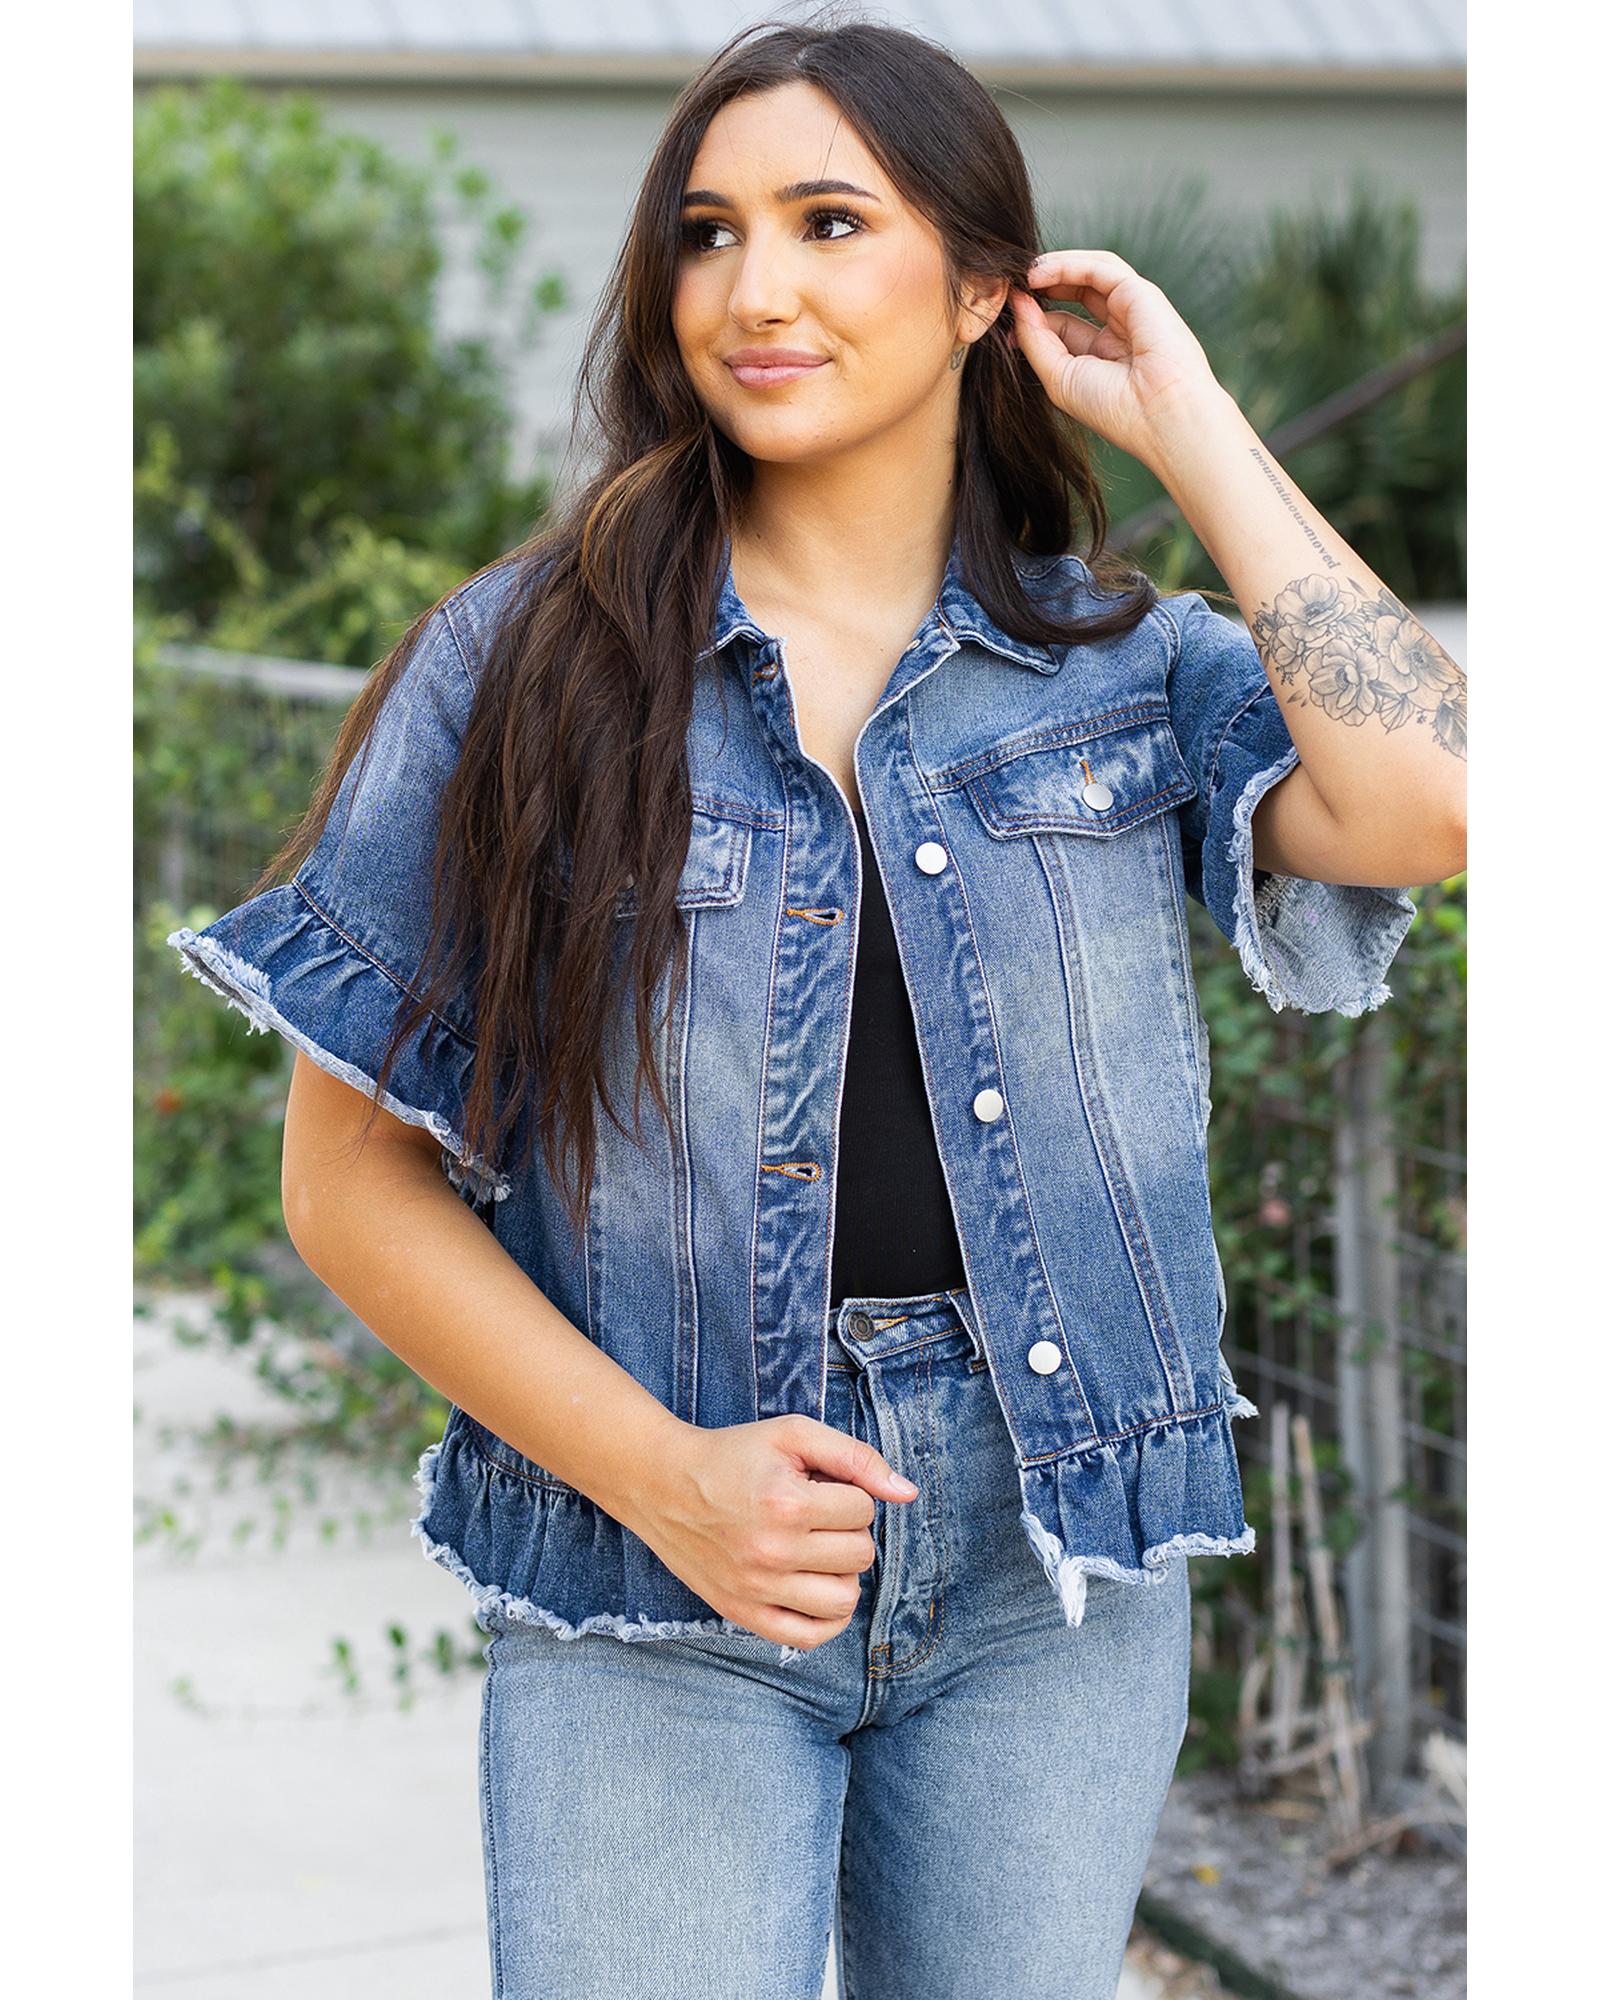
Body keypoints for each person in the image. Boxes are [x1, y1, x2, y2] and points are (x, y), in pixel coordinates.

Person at [167, 15, 1466, 1998]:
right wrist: (662, 1477)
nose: (751, 290)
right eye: (708, 232)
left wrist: (1188, 419)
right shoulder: (522, 666)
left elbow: (1431, 802)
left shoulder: (1122, 671)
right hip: (649, 1566)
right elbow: (348, 1185)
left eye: (828, 223)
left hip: (1052, 1566)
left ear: (980, 288)